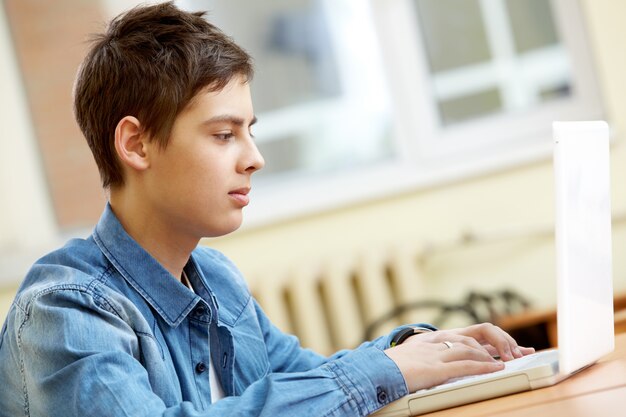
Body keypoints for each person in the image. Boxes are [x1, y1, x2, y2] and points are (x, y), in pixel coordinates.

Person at [0, 3, 534, 416]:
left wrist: (421, 351)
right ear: (136, 144)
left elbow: (310, 383)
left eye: (249, 132)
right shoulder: (64, 312)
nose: (253, 159)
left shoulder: (215, 280)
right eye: (224, 134)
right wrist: (385, 368)